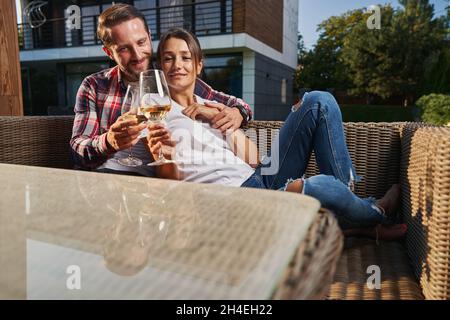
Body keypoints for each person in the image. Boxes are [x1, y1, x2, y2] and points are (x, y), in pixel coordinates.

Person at [146, 27, 407, 241]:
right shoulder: (158, 110)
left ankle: (348, 208)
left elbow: (254, 160)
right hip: (235, 199)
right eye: (168, 58)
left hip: (261, 176)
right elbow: (166, 180)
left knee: (319, 101)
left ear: (199, 65)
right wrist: (166, 156)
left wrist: (220, 119)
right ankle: (374, 211)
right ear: (160, 65)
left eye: (185, 57)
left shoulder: (212, 104)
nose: (177, 65)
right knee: (322, 186)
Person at [70, 4, 252, 176]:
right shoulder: (94, 86)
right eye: (124, 48)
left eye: (141, 42)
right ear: (109, 52)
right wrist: (108, 142)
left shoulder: (172, 78)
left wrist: (238, 113)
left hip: (158, 183)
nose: (137, 55)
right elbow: (77, 150)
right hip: (109, 177)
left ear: (149, 36)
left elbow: (234, 103)